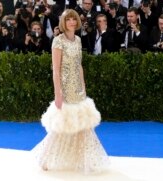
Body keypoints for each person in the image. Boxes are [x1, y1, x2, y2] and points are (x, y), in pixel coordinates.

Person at [32, 9, 110, 173]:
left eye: (74, 19)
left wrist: (83, 86)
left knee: (84, 124)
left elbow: (79, 65)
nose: (72, 22)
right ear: (63, 22)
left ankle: (86, 161)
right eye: (68, 19)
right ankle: (45, 159)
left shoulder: (78, 40)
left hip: (78, 88)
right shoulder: (58, 41)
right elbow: (56, 69)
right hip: (65, 87)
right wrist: (57, 93)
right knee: (61, 126)